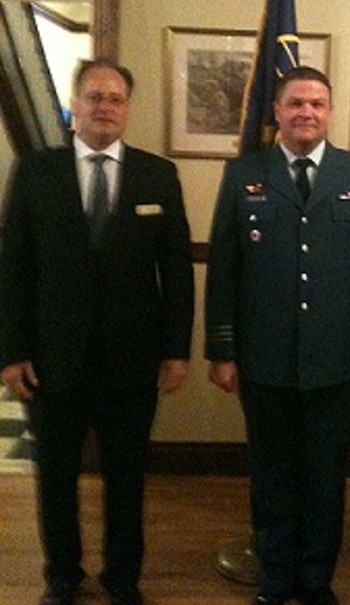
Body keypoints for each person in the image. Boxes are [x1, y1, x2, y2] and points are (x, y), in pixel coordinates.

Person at [0, 59, 195, 605]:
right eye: (93, 97)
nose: (104, 106)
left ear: (127, 108)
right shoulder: (36, 171)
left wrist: (176, 351)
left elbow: (177, 271)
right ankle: (61, 577)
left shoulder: (158, 175)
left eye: (115, 98)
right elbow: (12, 267)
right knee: (56, 479)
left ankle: (122, 579)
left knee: (126, 481)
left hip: (132, 363)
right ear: (74, 105)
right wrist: (10, 352)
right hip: (51, 359)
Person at [205, 66, 350, 605]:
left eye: (317, 103)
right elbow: (224, 267)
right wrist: (222, 348)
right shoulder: (245, 173)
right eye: (295, 103)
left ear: (330, 111)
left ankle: (315, 579)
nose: (306, 112)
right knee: (270, 473)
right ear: (278, 112)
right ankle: (275, 574)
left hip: (338, 358)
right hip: (263, 357)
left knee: (325, 475)